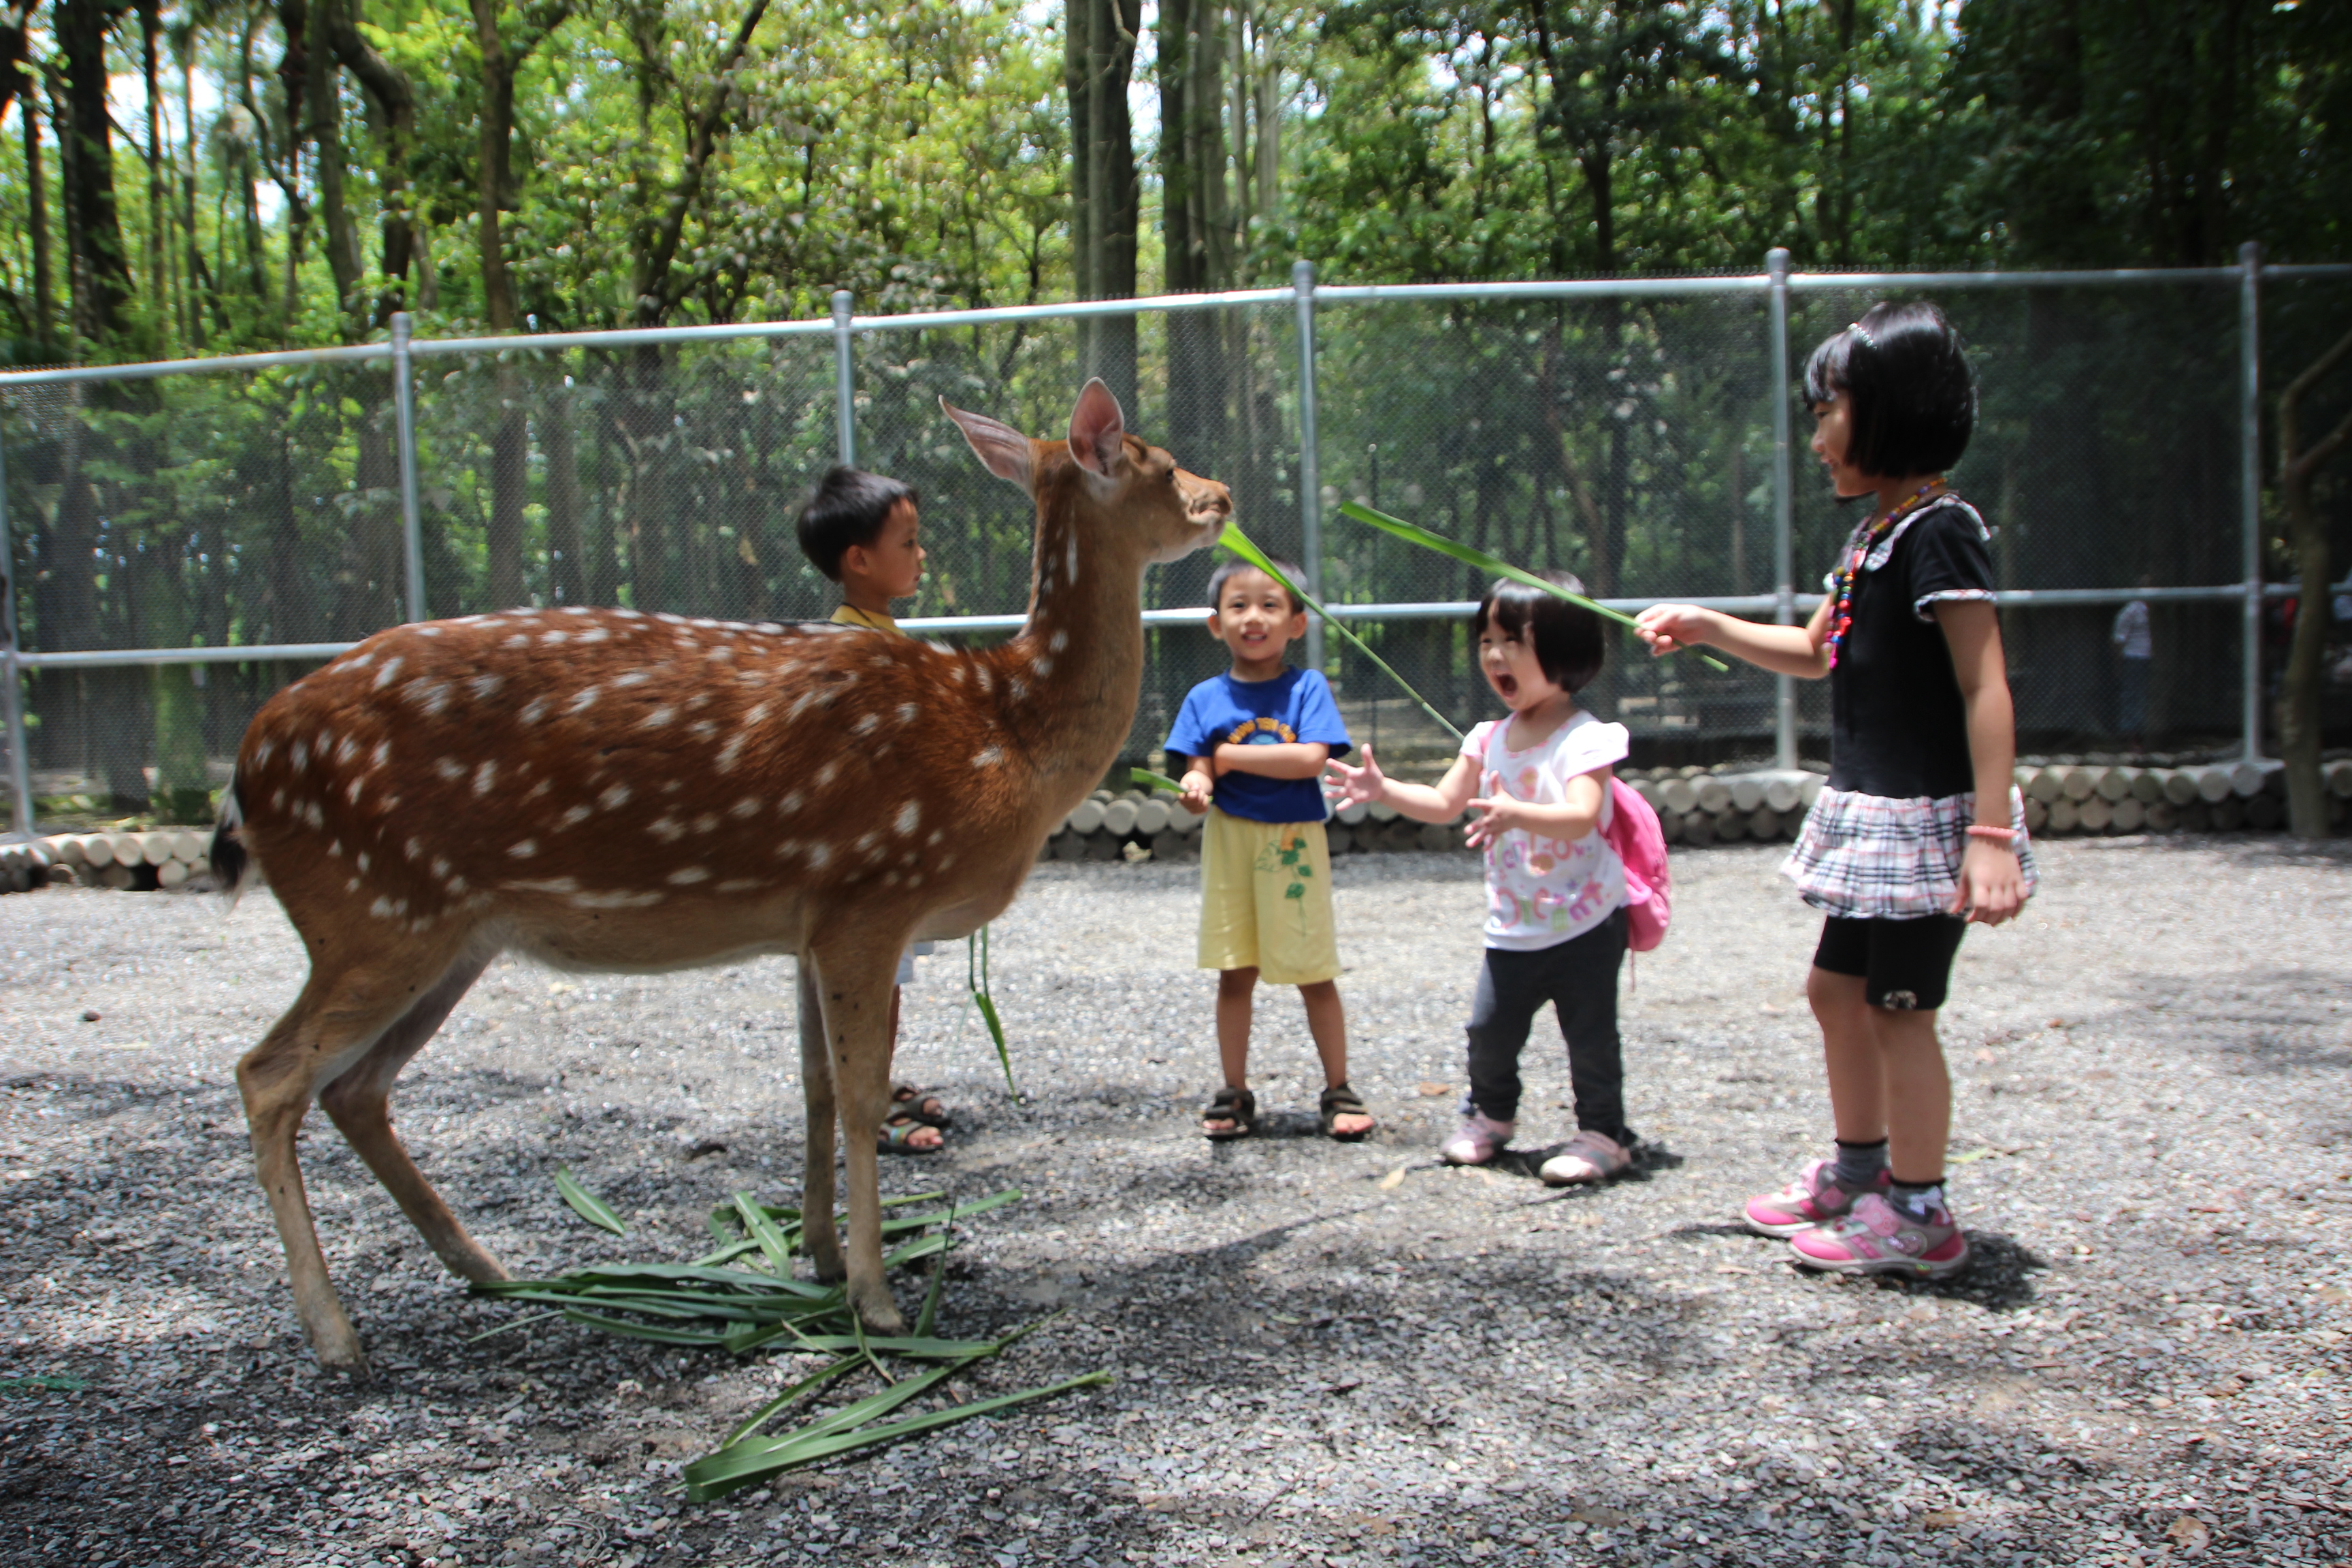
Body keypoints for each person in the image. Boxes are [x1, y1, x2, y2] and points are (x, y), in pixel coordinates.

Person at [1633, 301, 2032, 1279]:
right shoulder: (1875, 539)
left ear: (1889, 411)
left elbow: (1987, 684)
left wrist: (1989, 831)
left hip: (1930, 822)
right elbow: (1817, 653)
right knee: (1835, 993)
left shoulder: (1942, 532)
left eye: (1827, 413)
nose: (1815, 439)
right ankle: (1861, 1171)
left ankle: (1921, 1212)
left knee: (1900, 1008)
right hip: (1875, 815)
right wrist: (1712, 626)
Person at [1325, 573, 1639, 1186]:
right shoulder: (1486, 738)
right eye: (1486, 641)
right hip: (1514, 927)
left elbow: (1580, 817)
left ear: (1565, 649)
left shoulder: (1587, 739)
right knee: (1488, 1032)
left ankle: (1605, 1134)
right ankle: (1491, 1118)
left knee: (1590, 1037)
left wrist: (1516, 812)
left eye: (1513, 642)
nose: (1495, 655)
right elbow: (1446, 803)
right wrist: (1383, 788)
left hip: (1586, 922)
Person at [1168, 558, 1374, 1141]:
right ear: (1216, 624)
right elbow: (1196, 770)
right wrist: (1198, 787)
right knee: (1235, 970)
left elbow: (1310, 759)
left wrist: (1227, 760)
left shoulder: (1307, 687)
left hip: (1293, 842)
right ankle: (1234, 1091)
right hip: (1230, 840)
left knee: (1315, 971)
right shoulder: (1204, 698)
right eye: (1238, 605)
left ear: (1297, 624)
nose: (1253, 617)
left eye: (1269, 605)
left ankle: (1338, 1088)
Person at [795, 465, 951, 1154]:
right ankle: (868, 1106)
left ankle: (877, 1083)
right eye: (909, 543)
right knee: (868, 983)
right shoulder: (855, 650)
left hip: (891, 855)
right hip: (867, 868)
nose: (922, 556)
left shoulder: (880, 637)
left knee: (884, 983)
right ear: (859, 561)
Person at [2111, 581, 2153, 749]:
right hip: (2134, 659)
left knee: (2146, 697)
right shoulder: (2130, 612)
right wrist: (2118, 664)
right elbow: (2118, 640)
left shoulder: (2156, 611)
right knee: (2134, 696)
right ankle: (2132, 739)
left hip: (2150, 660)